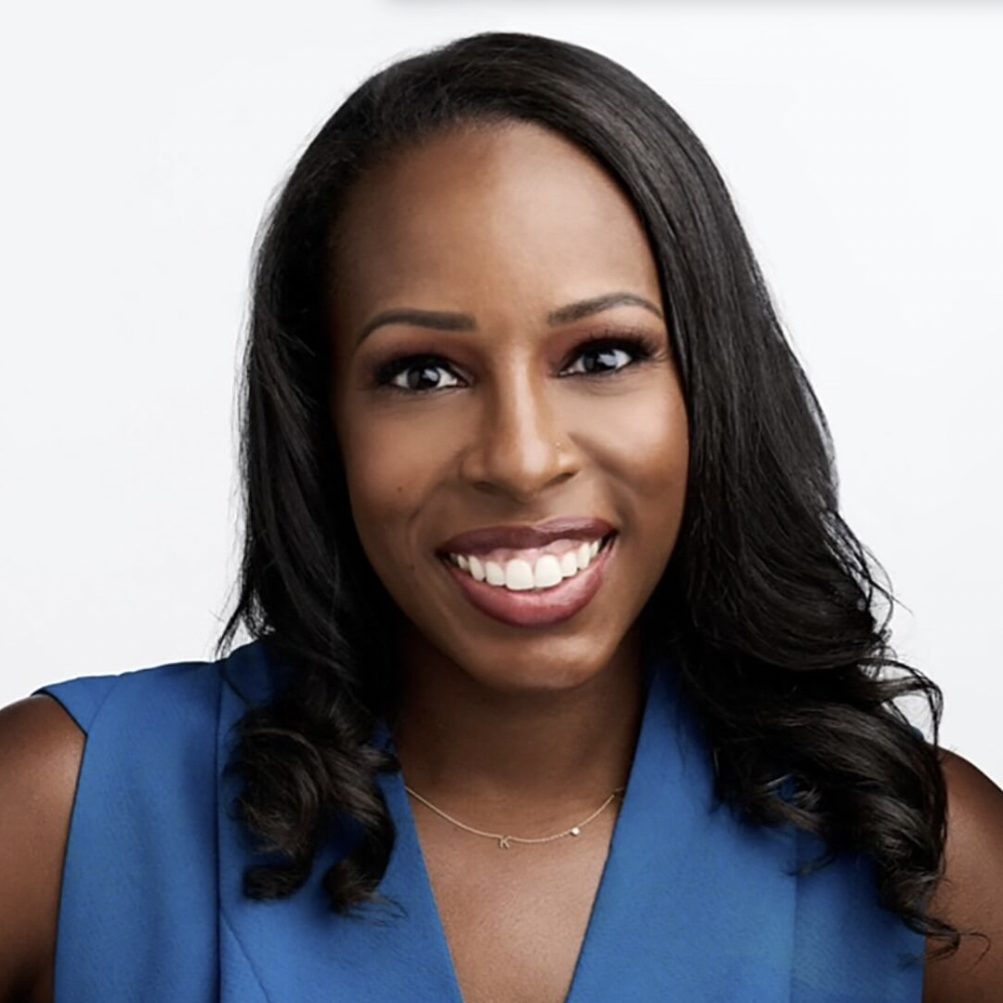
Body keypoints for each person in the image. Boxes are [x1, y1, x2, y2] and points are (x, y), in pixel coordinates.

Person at [1, 30, 1001, 1003]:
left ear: (710, 383)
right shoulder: (61, 813)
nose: (522, 459)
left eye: (602, 355)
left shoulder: (929, 860)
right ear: (321, 419)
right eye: (422, 372)